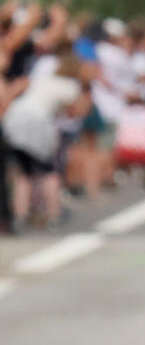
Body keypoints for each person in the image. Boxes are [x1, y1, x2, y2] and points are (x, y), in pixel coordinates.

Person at [2, 54, 89, 229]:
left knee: (24, 172)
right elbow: (76, 113)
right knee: (49, 170)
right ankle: (53, 214)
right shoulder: (70, 86)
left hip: (15, 118)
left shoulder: (43, 79)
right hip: (38, 123)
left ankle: (20, 215)